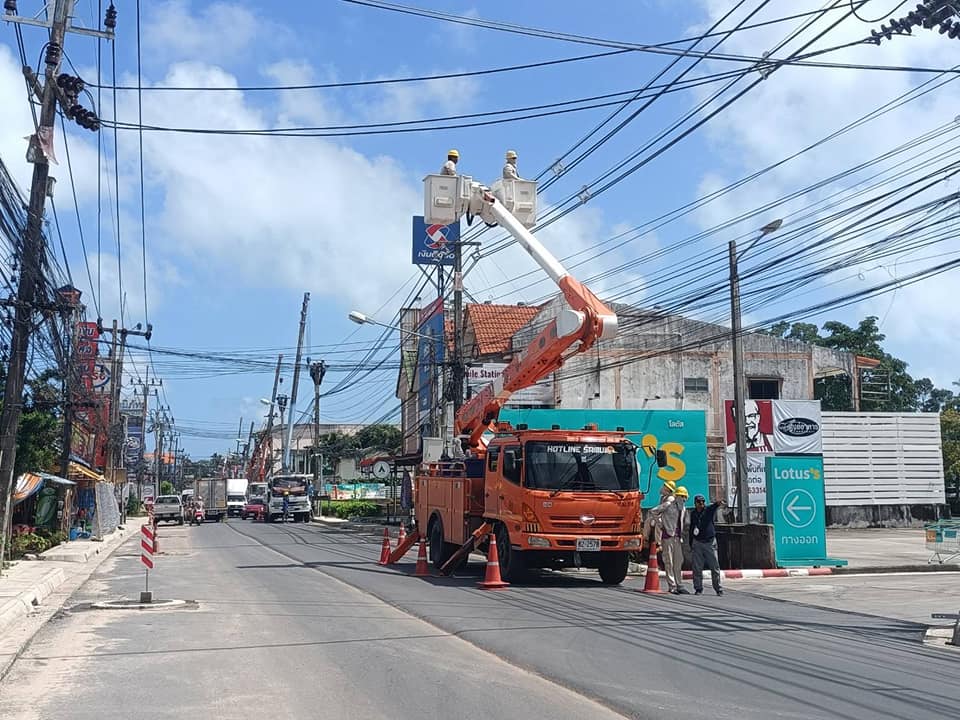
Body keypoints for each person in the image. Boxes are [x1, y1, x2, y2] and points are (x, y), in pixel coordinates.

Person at [651, 485, 690, 594]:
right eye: (681, 496)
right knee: (669, 562)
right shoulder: (668, 505)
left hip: (678, 538)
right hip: (667, 536)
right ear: (676, 496)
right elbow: (653, 511)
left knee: (679, 562)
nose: (683, 499)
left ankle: (679, 585)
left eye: (685, 497)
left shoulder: (683, 509)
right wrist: (661, 524)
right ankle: (672, 585)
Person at [689, 494, 726, 596]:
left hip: (709, 542)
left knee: (714, 566)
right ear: (695, 503)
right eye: (699, 502)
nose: (701, 504)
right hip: (697, 542)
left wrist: (719, 503)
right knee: (697, 567)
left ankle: (718, 588)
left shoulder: (708, 511)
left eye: (703, 502)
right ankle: (698, 588)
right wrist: (691, 542)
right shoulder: (693, 514)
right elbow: (691, 528)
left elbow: (714, 506)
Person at [642, 479, 676, 548]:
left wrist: (655, 511)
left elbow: (662, 508)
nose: (662, 488)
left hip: (668, 519)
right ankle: (645, 539)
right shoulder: (663, 497)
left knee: (658, 524)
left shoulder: (671, 499)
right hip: (662, 516)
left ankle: (659, 543)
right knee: (648, 520)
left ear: (668, 489)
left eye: (665, 486)